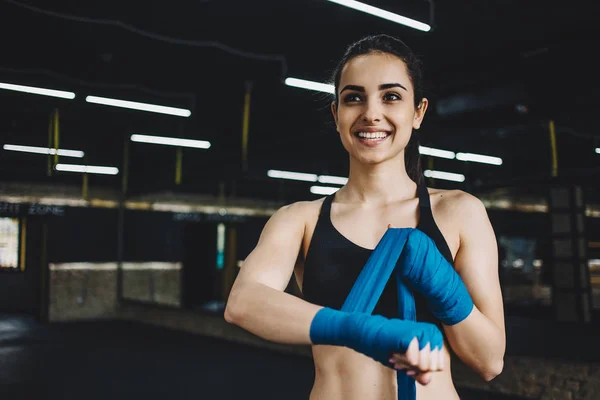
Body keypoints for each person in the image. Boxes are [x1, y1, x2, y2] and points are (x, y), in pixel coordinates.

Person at [225, 34, 505, 400]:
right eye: (353, 97)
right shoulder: (301, 219)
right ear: (336, 114)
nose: (371, 113)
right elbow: (242, 303)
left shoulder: (458, 212)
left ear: (417, 112)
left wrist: (445, 290)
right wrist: (363, 330)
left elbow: (489, 361)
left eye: (391, 96)